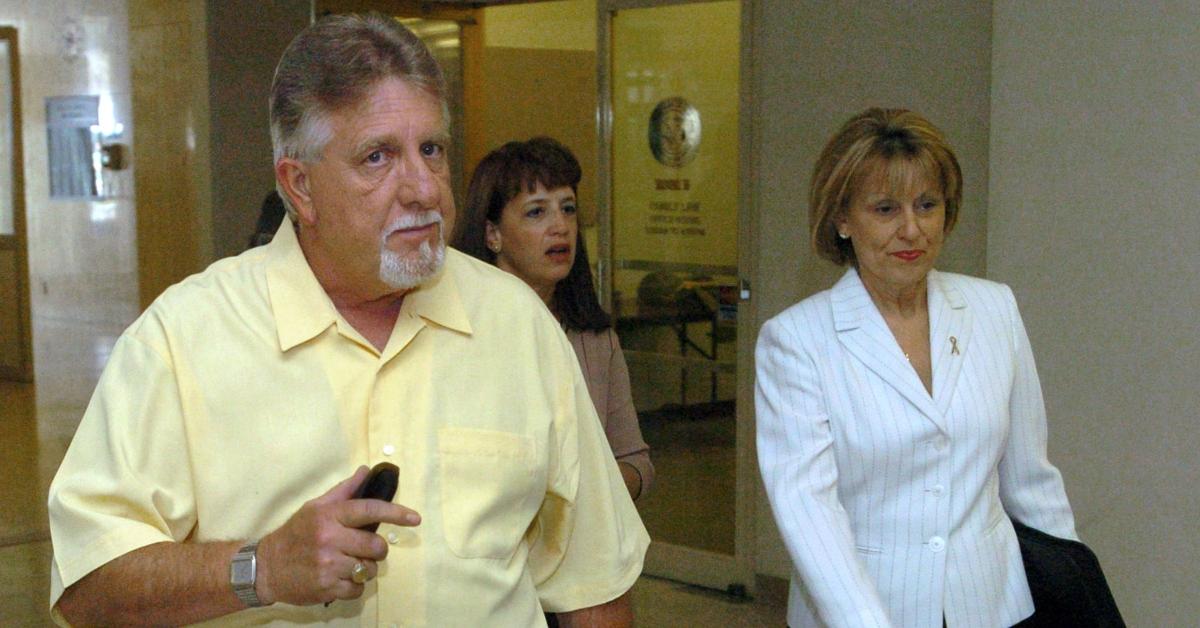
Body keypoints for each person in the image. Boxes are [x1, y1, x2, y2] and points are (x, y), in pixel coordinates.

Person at [47, 14, 647, 627]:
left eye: (432, 150)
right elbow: (89, 587)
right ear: (300, 186)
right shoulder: (183, 339)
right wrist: (264, 569)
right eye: (378, 156)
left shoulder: (519, 326)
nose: (422, 188)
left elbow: (594, 584)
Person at [755, 108, 1077, 628]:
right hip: (865, 611)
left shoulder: (994, 310)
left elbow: (1032, 484)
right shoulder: (796, 341)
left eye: (927, 205)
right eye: (885, 209)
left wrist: (1076, 592)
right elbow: (809, 512)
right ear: (841, 220)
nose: (912, 229)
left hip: (994, 606)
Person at [452, 137, 654, 502]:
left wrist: (585, 490)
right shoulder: (456, 332)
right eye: (536, 212)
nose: (560, 226)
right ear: (493, 234)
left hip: (582, 548)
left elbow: (636, 462)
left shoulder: (595, 338)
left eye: (568, 209)